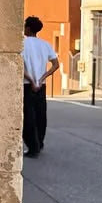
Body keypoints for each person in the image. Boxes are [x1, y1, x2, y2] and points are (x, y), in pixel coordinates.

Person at [22, 16, 59, 158]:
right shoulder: (45, 45)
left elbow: (20, 66)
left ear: (28, 28)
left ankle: (33, 146)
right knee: (40, 114)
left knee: (28, 116)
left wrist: (31, 80)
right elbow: (55, 65)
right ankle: (40, 142)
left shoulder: (23, 45)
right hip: (41, 85)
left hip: (27, 84)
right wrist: (41, 78)